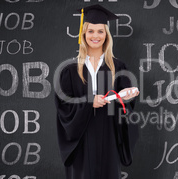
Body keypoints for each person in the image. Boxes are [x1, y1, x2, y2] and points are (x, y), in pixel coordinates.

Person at [54, 4, 139, 179]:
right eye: (91, 31)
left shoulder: (118, 67)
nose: (95, 36)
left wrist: (126, 98)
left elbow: (126, 109)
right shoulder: (70, 69)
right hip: (81, 138)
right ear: (83, 34)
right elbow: (63, 104)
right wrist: (89, 101)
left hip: (109, 136)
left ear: (106, 35)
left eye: (100, 31)